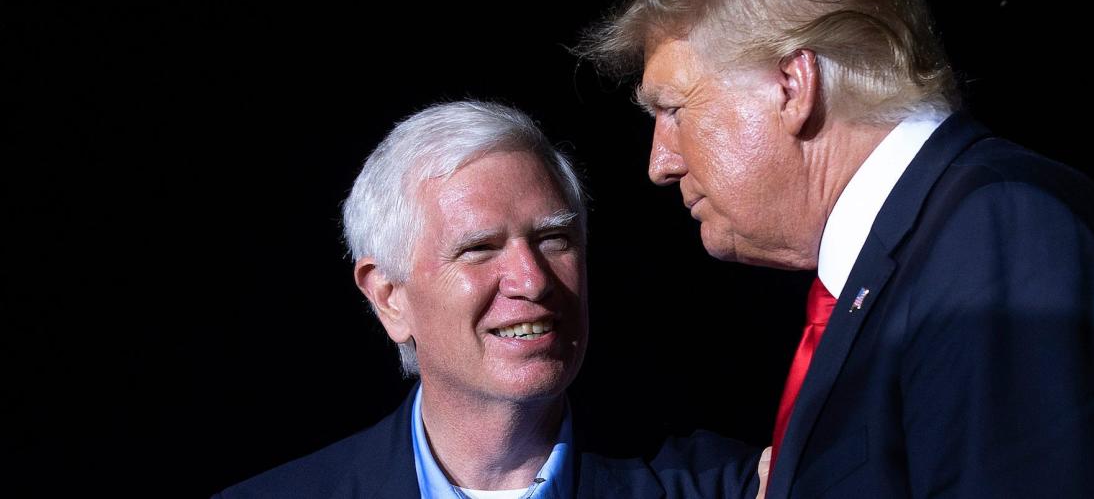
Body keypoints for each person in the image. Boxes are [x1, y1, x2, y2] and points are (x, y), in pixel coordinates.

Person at [580, 0, 1094, 498]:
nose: (659, 164)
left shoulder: (995, 237)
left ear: (792, 85)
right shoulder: (916, 263)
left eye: (673, 110)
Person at [213, 101, 761, 498]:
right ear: (389, 298)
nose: (533, 279)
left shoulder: (726, 486)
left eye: (554, 240)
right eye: (479, 249)